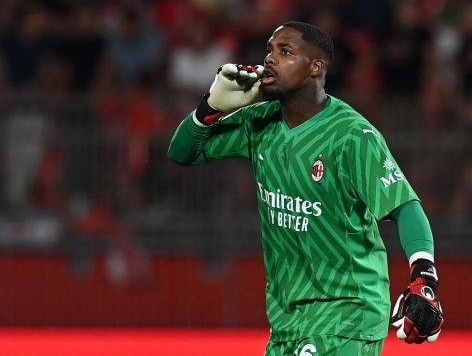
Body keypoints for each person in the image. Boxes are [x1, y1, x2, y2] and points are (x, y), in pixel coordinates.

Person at [167, 21, 443, 355]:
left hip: (346, 315)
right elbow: (182, 153)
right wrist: (211, 107)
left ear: (315, 67)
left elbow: (405, 206)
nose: (270, 59)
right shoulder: (260, 122)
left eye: (285, 52)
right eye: (269, 50)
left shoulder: (352, 135)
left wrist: (424, 277)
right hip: (286, 320)